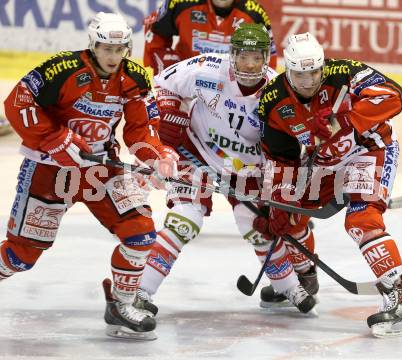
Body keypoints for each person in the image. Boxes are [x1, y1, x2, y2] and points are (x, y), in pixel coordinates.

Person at [0, 12, 179, 340]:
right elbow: (18, 102)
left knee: (140, 232)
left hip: (100, 170)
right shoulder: (62, 68)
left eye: (119, 49)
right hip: (50, 170)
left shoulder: (135, 78)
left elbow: (141, 128)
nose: (113, 56)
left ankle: (121, 303)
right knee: (21, 255)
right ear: (93, 45)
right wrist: (55, 138)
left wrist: (158, 156)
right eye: (106, 49)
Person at [133, 23, 317, 319]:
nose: (249, 64)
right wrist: (169, 118)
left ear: (266, 58)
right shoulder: (206, 69)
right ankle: (140, 292)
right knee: (184, 219)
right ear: (232, 55)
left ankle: (290, 287)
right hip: (196, 154)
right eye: (243, 56)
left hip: (247, 171)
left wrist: (281, 184)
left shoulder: (277, 93)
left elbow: (289, 145)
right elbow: (164, 84)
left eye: (257, 57)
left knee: (255, 225)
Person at [256, 32, 402, 337]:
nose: (308, 81)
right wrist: (280, 197)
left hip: (369, 149)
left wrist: (345, 121)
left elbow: (393, 95)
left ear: (323, 66)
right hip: (326, 161)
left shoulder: (344, 72)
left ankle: (399, 300)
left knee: (362, 219)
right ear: (287, 70)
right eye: (299, 74)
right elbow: (280, 157)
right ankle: (304, 279)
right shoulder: (273, 101)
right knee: (288, 216)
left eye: (313, 73)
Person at [143, 0, 277, 75]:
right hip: (186, 80)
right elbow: (154, 30)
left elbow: (269, 55)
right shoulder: (180, 3)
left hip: (232, 84)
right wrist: (167, 68)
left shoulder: (255, 13)